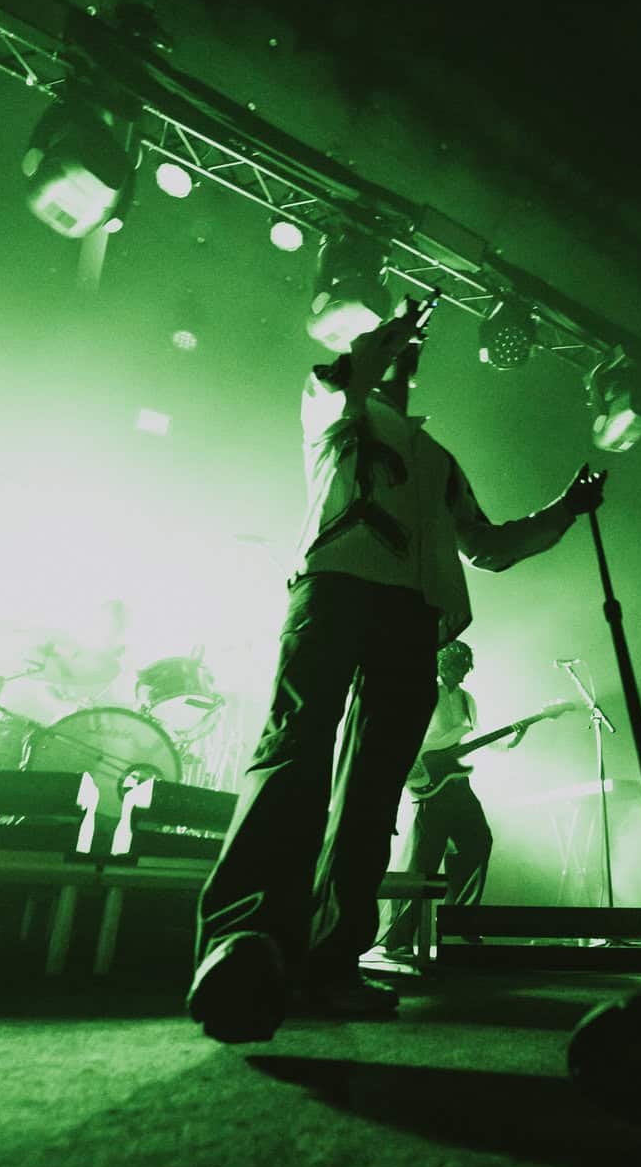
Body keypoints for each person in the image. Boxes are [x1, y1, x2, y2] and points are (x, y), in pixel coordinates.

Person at [186, 298, 606, 1041]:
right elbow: (346, 376)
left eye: (407, 353)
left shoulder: (438, 460)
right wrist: (386, 335)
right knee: (293, 753)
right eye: (390, 351)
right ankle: (242, 944)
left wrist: (566, 510)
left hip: (414, 617)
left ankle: (332, 962)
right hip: (334, 588)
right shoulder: (333, 410)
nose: (400, 362)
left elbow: (489, 547)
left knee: (376, 790)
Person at [380, 637, 525, 957]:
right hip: (428, 782)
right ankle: (398, 938)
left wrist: (510, 742)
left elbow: (474, 736)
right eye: (460, 666)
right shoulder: (422, 691)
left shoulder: (467, 699)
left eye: (467, 667)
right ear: (444, 663)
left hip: (458, 784)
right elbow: (400, 730)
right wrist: (409, 766)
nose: (465, 673)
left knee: (478, 841)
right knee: (423, 860)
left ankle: (460, 925)